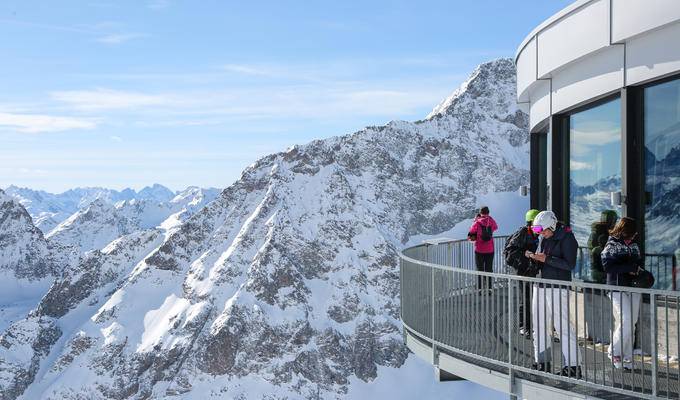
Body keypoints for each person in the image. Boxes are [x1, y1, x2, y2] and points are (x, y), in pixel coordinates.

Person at [526, 210, 582, 378]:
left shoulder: (567, 238)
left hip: (557, 286)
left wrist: (546, 259)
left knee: (562, 325)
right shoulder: (544, 237)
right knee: (538, 325)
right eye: (537, 231)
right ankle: (542, 361)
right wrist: (533, 258)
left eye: (542, 230)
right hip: (541, 284)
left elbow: (569, 264)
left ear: (552, 225)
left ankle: (573, 366)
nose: (540, 233)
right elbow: (543, 257)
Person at [601, 217, 644, 371]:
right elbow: (607, 266)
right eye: (631, 234)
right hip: (616, 286)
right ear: (624, 231)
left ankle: (627, 356)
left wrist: (640, 273)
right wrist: (628, 267)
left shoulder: (634, 245)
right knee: (626, 319)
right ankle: (614, 351)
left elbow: (638, 263)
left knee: (631, 322)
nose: (633, 237)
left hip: (632, 286)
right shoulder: (612, 244)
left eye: (634, 234)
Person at [503, 209, 540, 337]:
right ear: (530, 223)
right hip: (521, 270)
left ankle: (531, 326)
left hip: (529, 269)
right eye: (537, 225)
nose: (539, 229)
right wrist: (525, 253)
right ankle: (523, 326)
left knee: (531, 297)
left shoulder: (534, 234)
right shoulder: (523, 232)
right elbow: (511, 250)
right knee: (525, 298)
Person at [468, 206, 498, 290]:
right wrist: (489, 219)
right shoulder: (491, 221)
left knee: (480, 270)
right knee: (489, 269)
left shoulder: (477, 223)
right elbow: (496, 227)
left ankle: (480, 289)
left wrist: (475, 220)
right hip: (490, 250)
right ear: (488, 212)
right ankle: (489, 288)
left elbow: (470, 237)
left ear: (480, 213)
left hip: (479, 250)